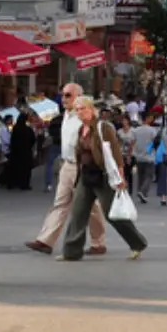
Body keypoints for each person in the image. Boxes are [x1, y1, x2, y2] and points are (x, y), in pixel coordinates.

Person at [60, 95, 148, 260]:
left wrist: (120, 176)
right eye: (77, 110)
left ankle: (137, 243)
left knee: (111, 214)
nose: (80, 112)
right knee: (78, 213)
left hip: (103, 176)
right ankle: (71, 252)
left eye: (83, 109)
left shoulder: (103, 128)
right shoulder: (81, 129)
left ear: (91, 109)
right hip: (86, 175)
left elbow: (115, 152)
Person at [29, 82, 108, 255]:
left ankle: (98, 242)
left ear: (78, 97)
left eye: (68, 95)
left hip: (83, 166)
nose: (63, 98)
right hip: (67, 164)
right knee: (60, 203)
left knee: (92, 207)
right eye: (63, 94)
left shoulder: (86, 115)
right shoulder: (65, 114)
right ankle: (45, 240)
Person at [129, 113, 160, 203]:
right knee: (149, 176)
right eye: (150, 117)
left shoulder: (136, 130)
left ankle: (141, 192)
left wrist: (130, 154)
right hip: (149, 156)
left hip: (139, 156)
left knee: (141, 176)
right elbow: (156, 143)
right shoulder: (152, 131)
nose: (152, 119)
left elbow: (132, 143)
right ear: (147, 118)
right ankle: (143, 191)